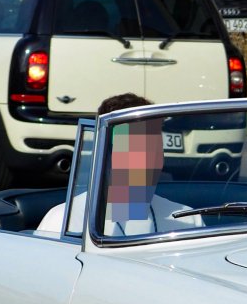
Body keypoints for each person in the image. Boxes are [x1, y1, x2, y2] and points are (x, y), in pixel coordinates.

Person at [36, 93, 202, 237]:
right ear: (105, 153)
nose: (148, 160)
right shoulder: (64, 221)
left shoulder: (187, 220)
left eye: (155, 147)